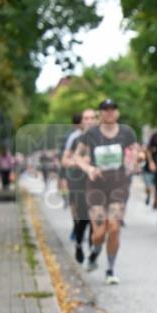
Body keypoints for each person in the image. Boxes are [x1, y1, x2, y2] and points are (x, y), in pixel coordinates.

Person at [74, 98, 140, 285]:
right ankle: (94, 253)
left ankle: (110, 269)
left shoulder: (127, 132)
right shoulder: (91, 133)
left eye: (113, 109)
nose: (109, 112)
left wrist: (137, 159)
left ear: (117, 112)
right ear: (100, 113)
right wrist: (89, 169)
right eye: (105, 109)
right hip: (96, 186)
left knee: (114, 227)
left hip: (119, 184)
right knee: (98, 233)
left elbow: (137, 152)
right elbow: (77, 156)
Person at [62, 108, 98, 262]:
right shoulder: (75, 138)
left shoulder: (102, 137)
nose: (89, 121)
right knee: (81, 217)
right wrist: (79, 163)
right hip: (78, 182)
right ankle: (78, 243)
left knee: (95, 216)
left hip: (97, 183)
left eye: (92, 118)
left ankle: (92, 243)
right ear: (81, 121)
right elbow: (65, 160)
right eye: (86, 118)